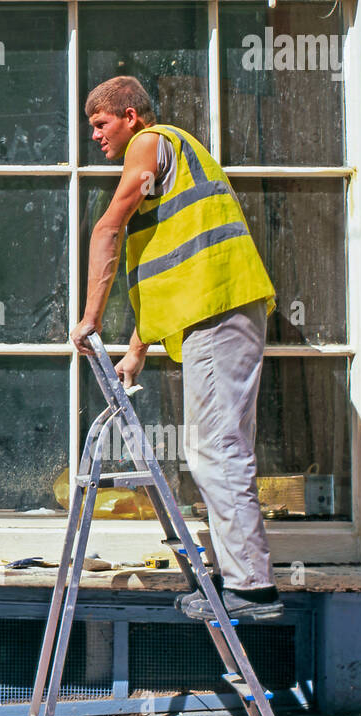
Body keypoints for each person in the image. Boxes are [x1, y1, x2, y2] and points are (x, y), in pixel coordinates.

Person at [70, 76, 284, 622]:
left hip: (217, 312)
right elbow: (171, 265)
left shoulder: (151, 142)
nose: (95, 135)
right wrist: (138, 348)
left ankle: (252, 588)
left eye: (101, 124)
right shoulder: (178, 160)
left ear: (130, 115)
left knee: (216, 450)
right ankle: (238, 576)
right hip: (216, 309)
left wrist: (91, 318)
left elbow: (108, 230)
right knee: (218, 446)